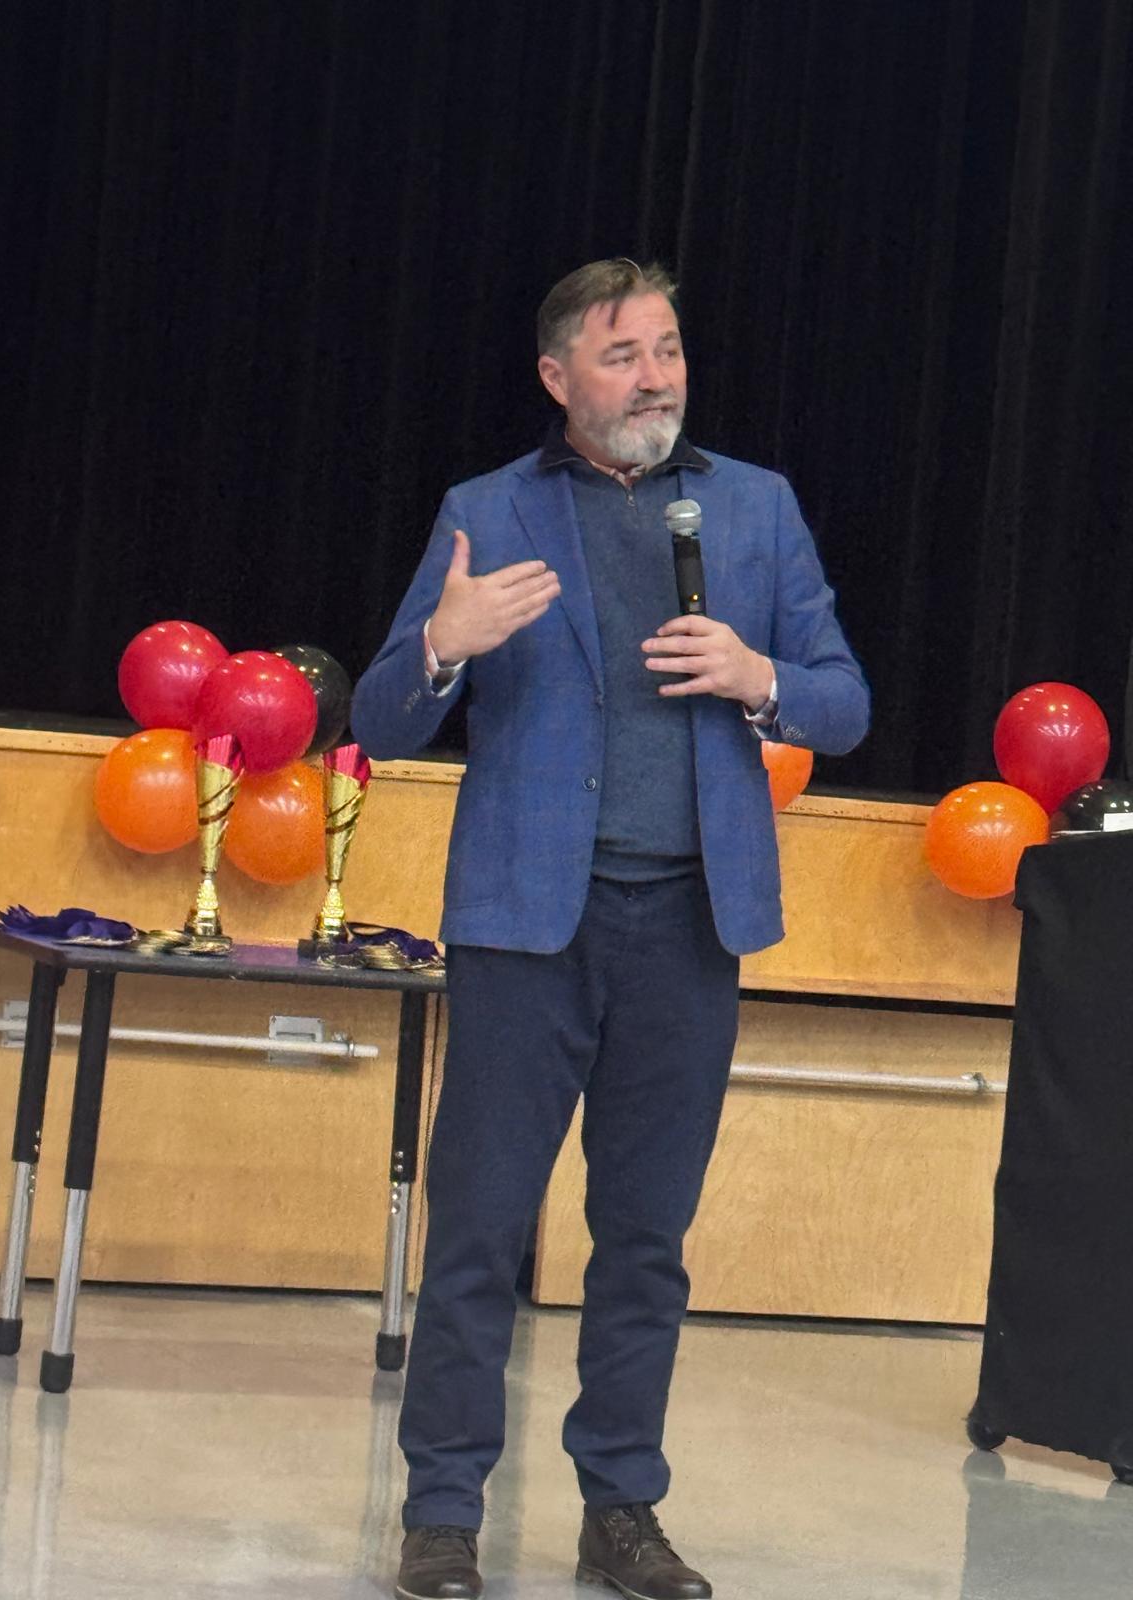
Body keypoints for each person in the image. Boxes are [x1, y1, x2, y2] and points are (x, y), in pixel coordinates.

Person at [351, 259, 869, 1600]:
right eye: (624, 354)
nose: (655, 377)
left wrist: (760, 678)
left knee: (644, 1240)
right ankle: (444, 1513)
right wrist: (446, 643)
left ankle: (621, 1509)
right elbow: (381, 721)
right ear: (558, 377)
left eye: (668, 349)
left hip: (690, 925)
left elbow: (845, 699)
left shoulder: (754, 505)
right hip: (530, 928)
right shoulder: (488, 510)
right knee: (479, 1230)